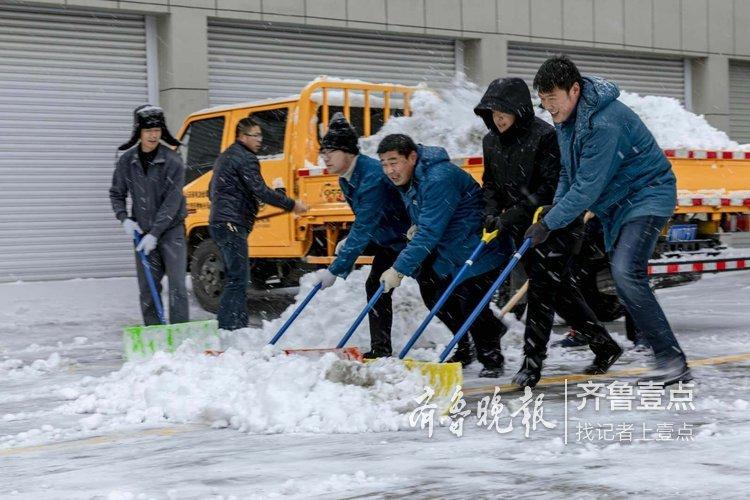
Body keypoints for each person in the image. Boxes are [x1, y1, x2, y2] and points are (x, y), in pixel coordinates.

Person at [526, 55, 691, 386]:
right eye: (543, 101)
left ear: (574, 90)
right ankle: (665, 355)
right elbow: (568, 173)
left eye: (553, 99)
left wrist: (550, 223)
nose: (549, 109)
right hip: (617, 205)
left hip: (647, 195)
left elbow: (586, 187)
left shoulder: (605, 123)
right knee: (622, 276)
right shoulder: (568, 120)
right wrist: (554, 210)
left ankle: (672, 360)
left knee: (626, 273)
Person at [473, 78, 622, 389]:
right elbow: (490, 183)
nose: (498, 119)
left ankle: (532, 363)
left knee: (542, 292)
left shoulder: (544, 137)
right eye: (492, 113)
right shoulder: (491, 141)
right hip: (522, 228)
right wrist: (490, 213)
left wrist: (511, 215)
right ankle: (604, 345)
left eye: (503, 112)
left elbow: (549, 188)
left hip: (556, 225)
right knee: (561, 293)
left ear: (519, 110)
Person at [377, 134, 512, 378]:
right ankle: (467, 343)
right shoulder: (412, 180)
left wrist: (398, 269)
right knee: (432, 292)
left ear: (412, 157)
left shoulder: (439, 177)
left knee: (469, 300)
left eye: (394, 162)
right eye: (384, 164)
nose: (389, 170)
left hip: (478, 247)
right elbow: (428, 219)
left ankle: (491, 357)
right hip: (451, 250)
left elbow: (430, 232)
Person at [311, 114, 410, 358]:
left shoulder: (372, 176)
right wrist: (354, 240)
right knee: (375, 285)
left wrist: (335, 270)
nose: (325, 157)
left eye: (331, 151)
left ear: (348, 152)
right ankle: (381, 349)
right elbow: (366, 220)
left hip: (411, 238)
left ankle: (488, 339)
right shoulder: (347, 178)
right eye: (323, 151)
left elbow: (365, 224)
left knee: (438, 293)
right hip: (389, 239)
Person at [209, 117, 308, 331]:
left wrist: (245, 203)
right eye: (255, 135)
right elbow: (260, 190)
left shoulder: (225, 157)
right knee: (239, 278)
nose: (259, 140)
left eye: (260, 135)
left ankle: (229, 325)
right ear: (242, 137)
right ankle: (232, 327)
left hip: (219, 222)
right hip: (232, 224)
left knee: (234, 276)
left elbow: (214, 191)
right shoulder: (246, 158)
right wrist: (291, 205)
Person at [109, 105, 189, 325]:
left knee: (177, 287)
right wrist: (124, 218)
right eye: (148, 130)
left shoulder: (172, 160)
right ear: (139, 132)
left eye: (157, 130)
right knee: (148, 288)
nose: (153, 135)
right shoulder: (127, 161)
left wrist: (155, 233)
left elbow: (172, 202)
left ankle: (180, 335)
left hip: (171, 232)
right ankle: (154, 332)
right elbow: (116, 193)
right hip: (142, 232)